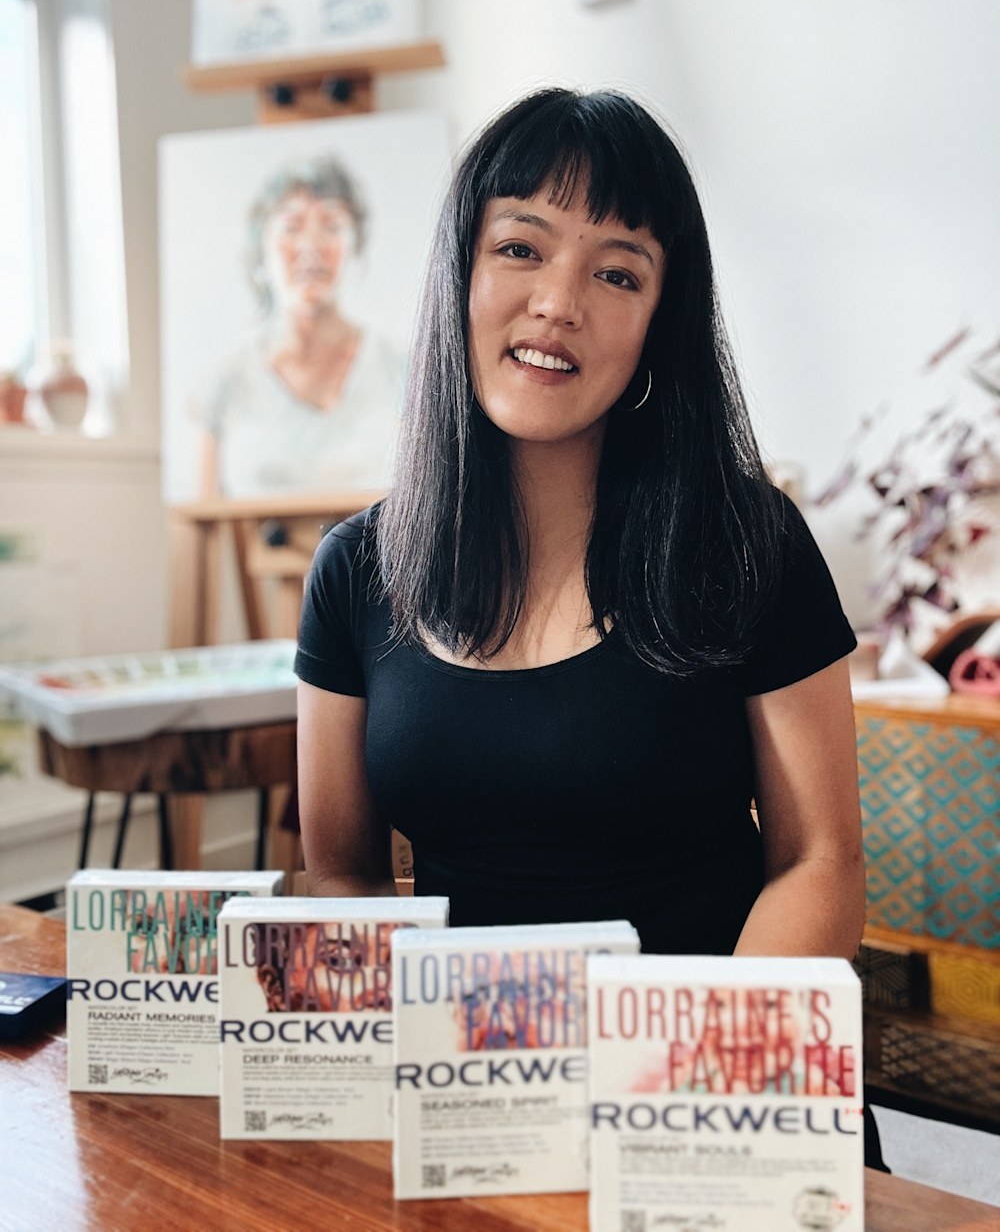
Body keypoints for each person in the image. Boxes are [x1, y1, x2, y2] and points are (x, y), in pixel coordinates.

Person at [294, 87, 884, 1163]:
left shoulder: (747, 543)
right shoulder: (355, 572)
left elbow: (821, 861)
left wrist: (695, 1090)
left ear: (660, 317)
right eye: (521, 247)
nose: (559, 301)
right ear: (459, 275)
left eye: (617, 271)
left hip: (725, 1097)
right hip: (477, 1106)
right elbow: (339, 872)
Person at [198, 153, 403, 500]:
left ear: (356, 247)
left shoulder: (403, 371)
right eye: (292, 227)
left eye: (331, 226)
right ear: (260, 251)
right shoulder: (226, 383)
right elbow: (204, 524)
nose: (312, 246)